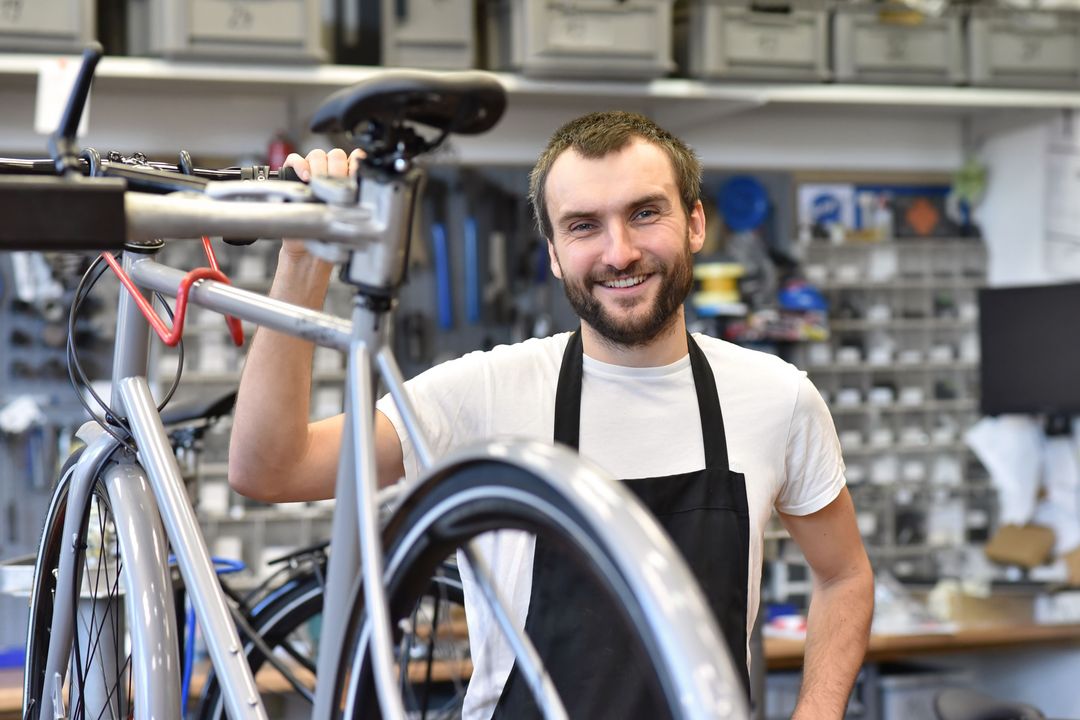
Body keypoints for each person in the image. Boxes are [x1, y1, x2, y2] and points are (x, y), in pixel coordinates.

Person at [229, 111, 874, 719]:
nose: (619, 253)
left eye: (645, 213)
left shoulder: (777, 397)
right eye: (584, 225)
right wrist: (303, 262)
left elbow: (844, 574)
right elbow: (271, 469)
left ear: (696, 223)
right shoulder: (485, 392)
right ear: (555, 251)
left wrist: (815, 710)